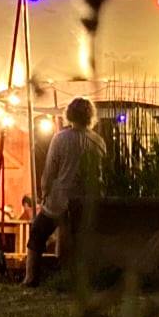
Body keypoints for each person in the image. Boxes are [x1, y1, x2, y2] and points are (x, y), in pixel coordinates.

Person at [25, 96, 105, 287]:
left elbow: (51, 168)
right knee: (76, 240)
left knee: (37, 233)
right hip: (86, 198)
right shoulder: (98, 142)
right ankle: (74, 279)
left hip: (59, 199)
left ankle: (31, 277)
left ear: (69, 115)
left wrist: (44, 190)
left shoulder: (61, 138)